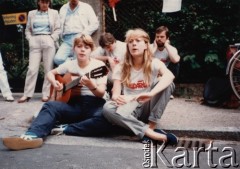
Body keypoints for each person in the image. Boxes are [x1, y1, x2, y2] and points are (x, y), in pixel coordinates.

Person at [2, 35, 121, 151]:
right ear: (73, 48)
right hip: (74, 104)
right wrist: (55, 83)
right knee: (50, 106)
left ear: (91, 50)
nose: (82, 49)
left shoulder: (99, 66)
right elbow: (50, 73)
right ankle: (31, 136)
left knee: (106, 120)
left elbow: (100, 93)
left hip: (95, 104)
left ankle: (66, 128)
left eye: (86, 47)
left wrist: (91, 85)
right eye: (79, 46)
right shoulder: (70, 64)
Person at [102, 28, 178, 145]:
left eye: (138, 40)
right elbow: (115, 94)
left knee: (167, 83)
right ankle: (151, 133)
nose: (134, 44)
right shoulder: (121, 66)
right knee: (107, 108)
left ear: (146, 45)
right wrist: (119, 98)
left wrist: (150, 94)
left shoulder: (154, 62)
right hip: (129, 109)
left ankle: (151, 126)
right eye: (131, 41)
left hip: (148, 105)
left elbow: (170, 75)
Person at [18, 0, 61, 103]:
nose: (45, 4)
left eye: (47, 2)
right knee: (32, 69)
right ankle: (27, 94)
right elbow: (28, 29)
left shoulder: (54, 13)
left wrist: (52, 38)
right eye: (43, 2)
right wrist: (30, 39)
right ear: (38, 2)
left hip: (48, 40)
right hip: (35, 41)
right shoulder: (32, 13)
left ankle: (46, 94)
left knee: (48, 69)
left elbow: (58, 29)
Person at [54, 0, 99, 66]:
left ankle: (76, 68)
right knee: (58, 59)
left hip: (80, 38)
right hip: (67, 40)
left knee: (79, 59)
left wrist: (83, 34)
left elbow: (95, 24)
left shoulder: (86, 7)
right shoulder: (63, 8)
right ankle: (74, 64)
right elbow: (59, 26)